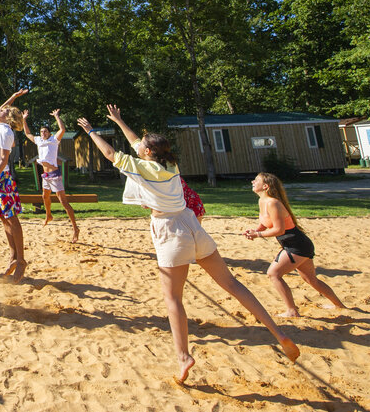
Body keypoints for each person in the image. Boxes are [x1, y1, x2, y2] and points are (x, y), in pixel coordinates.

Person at [78, 105, 299, 383]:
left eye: (142, 146)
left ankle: (183, 356)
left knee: (173, 299)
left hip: (170, 229)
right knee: (231, 284)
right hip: (191, 223)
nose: (138, 146)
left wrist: (91, 132)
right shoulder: (169, 163)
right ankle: (278, 333)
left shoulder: (143, 167)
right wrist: (120, 120)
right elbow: (137, 143)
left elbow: (111, 153)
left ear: (148, 153)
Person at [244, 172, 347, 317]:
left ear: (265, 186)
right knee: (311, 279)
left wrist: (258, 235)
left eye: (256, 180)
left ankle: (292, 311)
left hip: (297, 244)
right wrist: (256, 230)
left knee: (273, 274)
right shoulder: (263, 201)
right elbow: (266, 222)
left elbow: (279, 229)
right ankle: (339, 305)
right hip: (294, 244)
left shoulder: (273, 202)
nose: (252, 182)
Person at [0, 89, 28, 283]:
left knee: (12, 219)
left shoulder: (5, 131)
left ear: (7, 117)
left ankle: (22, 261)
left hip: (0, 178)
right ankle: (13, 257)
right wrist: (15, 96)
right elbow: (3, 106)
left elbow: (4, 160)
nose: (1, 108)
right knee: (4, 219)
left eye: (6, 109)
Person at [23, 108, 79, 242]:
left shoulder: (54, 140)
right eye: (42, 131)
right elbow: (27, 133)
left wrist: (56, 116)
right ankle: (49, 215)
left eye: (45, 131)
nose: (43, 133)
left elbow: (63, 129)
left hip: (55, 175)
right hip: (46, 176)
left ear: (49, 133)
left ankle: (75, 228)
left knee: (64, 202)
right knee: (44, 196)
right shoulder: (39, 140)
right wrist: (24, 119)